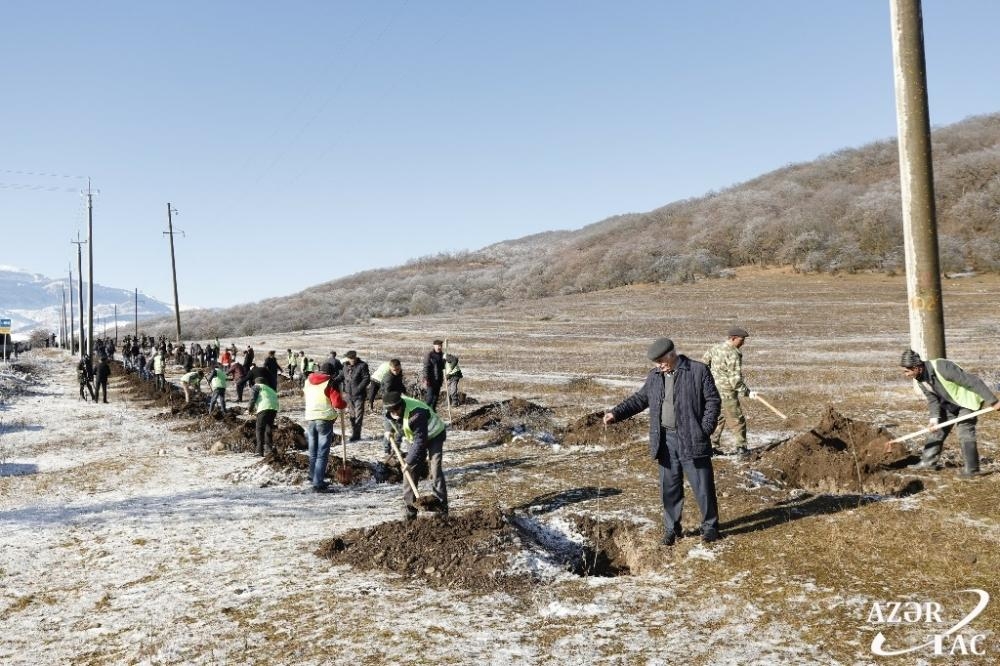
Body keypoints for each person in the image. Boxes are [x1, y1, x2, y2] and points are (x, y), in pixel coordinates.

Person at [604, 338, 722, 545]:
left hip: (693, 438)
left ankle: (710, 527)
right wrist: (616, 413)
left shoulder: (698, 371)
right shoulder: (655, 377)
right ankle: (672, 530)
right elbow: (640, 399)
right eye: (656, 362)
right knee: (670, 488)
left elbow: (713, 401)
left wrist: (704, 430)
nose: (659, 365)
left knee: (702, 486)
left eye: (661, 360)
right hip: (665, 440)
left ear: (672, 354)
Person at [900, 349, 1000, 477]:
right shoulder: (920, 379)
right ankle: (928, 462)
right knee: (937, 430)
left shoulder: (942, 367)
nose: (906, 374)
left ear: (917, 367)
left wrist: (993, 401)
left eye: (907, 371)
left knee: (964, 431)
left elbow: (973, 381)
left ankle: (972, 470)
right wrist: (934, 419)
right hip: (949, 403)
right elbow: (933, 400)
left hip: (967, 401)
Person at [382, 391, 448, 520]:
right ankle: (410, 510)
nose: (394, 412)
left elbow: (420, 441)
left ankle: (441, 506)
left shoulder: (416, 414)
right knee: (410, 472)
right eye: (391, 410)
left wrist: (409, 461)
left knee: (435, 470)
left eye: (396, 409)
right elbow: (387, 419)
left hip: (434, 435)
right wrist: (388, 431)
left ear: (401, 405)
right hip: (413, 438)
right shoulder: (389, 409)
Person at [702, 327, 756, 456]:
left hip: (712, 391)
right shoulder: (733, 354)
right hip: (727, 393)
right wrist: (747, 392)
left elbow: (704, 364)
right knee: (737, 419)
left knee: (717, 418)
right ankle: (741, 448)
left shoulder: (715, 348)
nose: (743, 343)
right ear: (733, 338)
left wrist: (711, 380)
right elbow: (735, 380)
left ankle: (712, 446)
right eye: (741, 340)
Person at [303, 362, 343, 492]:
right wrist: (344, 403)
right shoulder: (330, 382)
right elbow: (337, 402)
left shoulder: (308, 381)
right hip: (324, 419)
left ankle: (312, 475)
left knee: (313, 451)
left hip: (310, 417)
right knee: (322, 453)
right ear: (332, 373)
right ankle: (318, 482)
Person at [343, 351, 371, 442]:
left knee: (358, 415)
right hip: (349, 395)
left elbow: (366, 378)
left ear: (356, 357)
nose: (352, 360)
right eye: (350, 358)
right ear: (347, 358)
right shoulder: (345, 366)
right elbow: (342, 376)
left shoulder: (362, 365)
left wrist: (358, 389)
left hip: (359, 395)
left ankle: (356, 435)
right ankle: (354, 432)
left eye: (353, 358)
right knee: (352, 415)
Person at [248, 376, 279, 457]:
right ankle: (269, 449)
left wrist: (250, 409)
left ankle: (259, 451)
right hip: (273, 408)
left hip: (264, 408)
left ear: (256, 382)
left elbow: (253, 398)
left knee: (259, 430)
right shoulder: (270, 389)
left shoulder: (257, 386)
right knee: (268, 428)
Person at [422, 339, 446, 409]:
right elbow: (426, 367)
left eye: (440, 346)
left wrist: (444, 361)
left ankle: (432, 412)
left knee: (435, 399)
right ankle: (424, 411)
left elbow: (442, 368)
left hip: (438, 380)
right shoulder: (430, 355)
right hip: (430, 380)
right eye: (438, 346)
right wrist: (426, 379)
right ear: (434, 346)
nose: (439, 347)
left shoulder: (442, 355)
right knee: (429, 399)